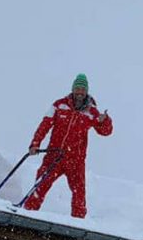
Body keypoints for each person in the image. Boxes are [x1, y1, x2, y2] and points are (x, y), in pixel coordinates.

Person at [21, 73, 113, 218]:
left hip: (76, 160)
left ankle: (78, 223)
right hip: (54, 155)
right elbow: (45, 125)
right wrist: (35, 144)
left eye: (83, 89)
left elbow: (105, 132)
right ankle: (27, 214)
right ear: (73, 89)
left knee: (79, 194)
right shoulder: (59, 105)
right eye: (77, 88)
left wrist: (105, 121)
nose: (80, 92)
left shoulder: (92, 111)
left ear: (86, 91)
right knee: (40, 186)